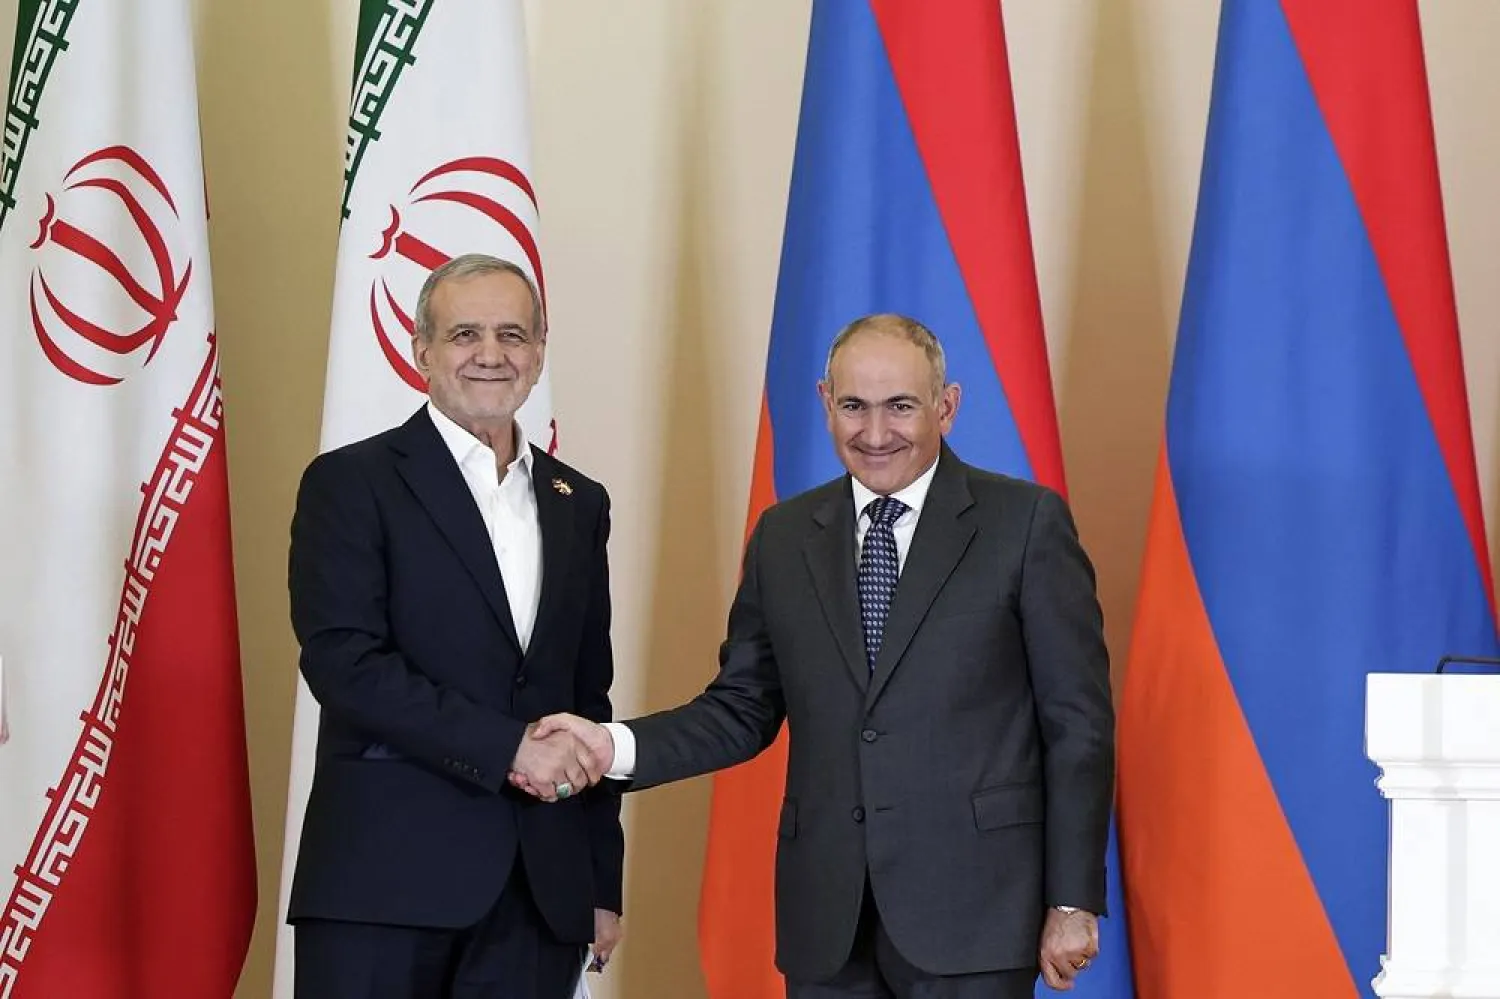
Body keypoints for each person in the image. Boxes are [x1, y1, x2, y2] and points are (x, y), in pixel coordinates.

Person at [521, 314, 1114, 998]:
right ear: (825, 402)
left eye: (900, 406)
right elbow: (741, 708)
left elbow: (1078, 725)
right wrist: (610, 746)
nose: (875, 432)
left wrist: (1072, 899)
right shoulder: (784, 535)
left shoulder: (1025, 523)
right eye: (854, 405)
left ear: (946, 406)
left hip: (976, 913)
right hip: (828, 925)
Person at [287, 253, 623, 998]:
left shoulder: (580, 502)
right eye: (465, 333)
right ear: (422, 352)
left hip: (539, 891)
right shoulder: (351, 482)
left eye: (512, 334)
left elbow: (587, 698)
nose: (490, 354)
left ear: (539, 352)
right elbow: (344, 664)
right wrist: (509, 748)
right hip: (383, 884)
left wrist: (599, 878)